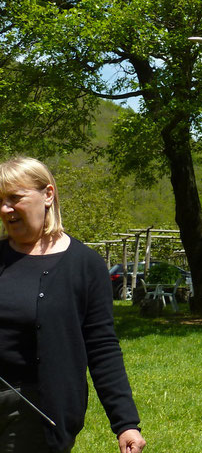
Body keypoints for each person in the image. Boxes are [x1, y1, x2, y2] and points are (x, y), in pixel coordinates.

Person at [0, 156, 146, 453]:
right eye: (0, 200)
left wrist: (125, 422)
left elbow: (102, 346)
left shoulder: (84, 265)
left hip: (37, 411)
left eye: (15, 198)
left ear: (48, 195)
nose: (5, 208)